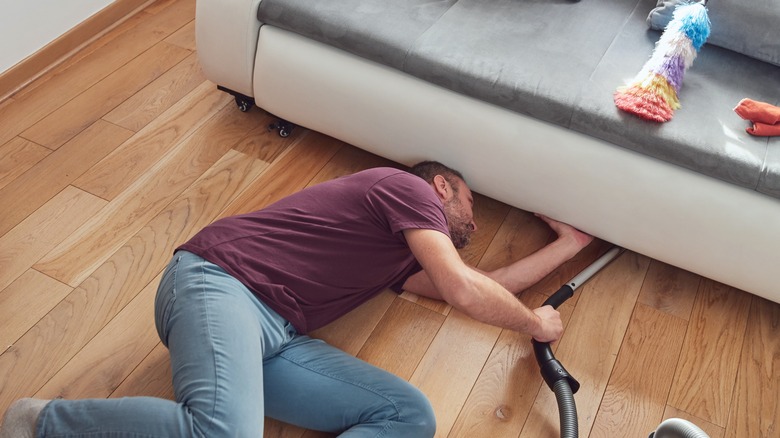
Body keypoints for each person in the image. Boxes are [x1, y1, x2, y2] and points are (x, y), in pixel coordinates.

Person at [0, 161, 592, 438]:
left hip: (275, 335)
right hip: (219, 282)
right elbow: (466, 289)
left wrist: (567, 247)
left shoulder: (404, 255)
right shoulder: (406, 188)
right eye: (468, 209)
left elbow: (480, 284)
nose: (470, 224)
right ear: (442, 187)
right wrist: (534, 325)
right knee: (223, 435)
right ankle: (43, 423)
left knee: (408, 417)